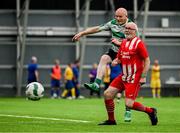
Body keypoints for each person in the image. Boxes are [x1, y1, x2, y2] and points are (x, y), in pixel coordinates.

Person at [98, 22, 158, 126]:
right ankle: (111, 120)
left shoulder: (138, 43)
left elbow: (147, 60)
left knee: (129, 104)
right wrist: (116, 61)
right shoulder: (124, 42)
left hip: (134, 78)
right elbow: (120, 57)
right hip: (124, 76)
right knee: (107, 94)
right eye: (126, 28)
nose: (127, 30)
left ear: (135, 31)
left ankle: (151, 111)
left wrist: (143, 77)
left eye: (130, 28)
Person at [72, 7, 133, 92]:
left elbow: (134, 44)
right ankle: (96, 84)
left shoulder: (131, 26)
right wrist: (82, 33)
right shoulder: (112, 23)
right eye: (116, 16)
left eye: (120, 17)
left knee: (128, 80)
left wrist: (120, 43)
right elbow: (97, 28)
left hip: (127, 53)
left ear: (126, 16)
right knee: (104, 58)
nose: (118, 18)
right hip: (115, 51)